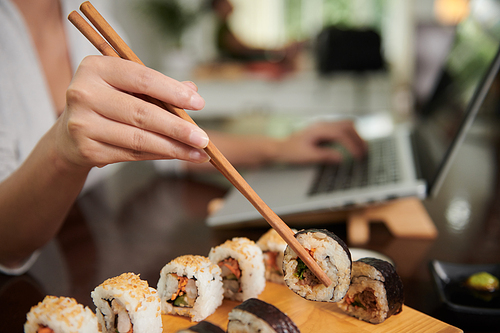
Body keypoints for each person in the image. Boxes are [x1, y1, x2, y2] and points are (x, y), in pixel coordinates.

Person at [0, 0, 366, 274]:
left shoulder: (92, 7)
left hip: (111, 242)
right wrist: (62, 153)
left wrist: (278, 148)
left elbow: (164, 134)